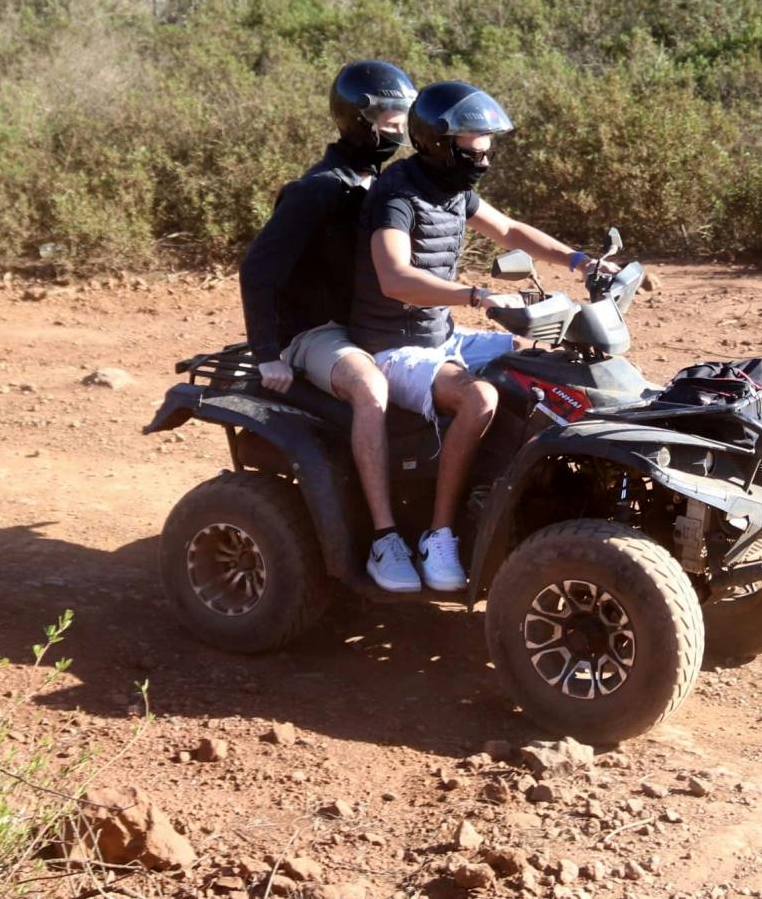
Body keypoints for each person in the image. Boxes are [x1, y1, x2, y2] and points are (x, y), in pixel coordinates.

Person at [351, 81, 617, 592]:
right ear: (438, 143)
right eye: (475, 147)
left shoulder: (453, 189)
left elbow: (511, 232)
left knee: (538, 362)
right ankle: (439, 533)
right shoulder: (397, 196)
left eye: (488, 146)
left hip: (441, 335)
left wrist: (583, 261)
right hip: (391, 348)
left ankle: (517, 491)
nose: (485, 157)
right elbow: (395, 277)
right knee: (479, 398)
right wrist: (476, 295)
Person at [238, 60, 424, 592]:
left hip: (366, 324)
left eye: (402, 117)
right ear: (357, 119)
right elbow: (258, 270)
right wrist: (268, 352)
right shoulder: (316, 190)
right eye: (388, 118)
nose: (397, 128)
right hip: (314, 332)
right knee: (370, 388)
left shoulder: (383, 183)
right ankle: (386, 539)